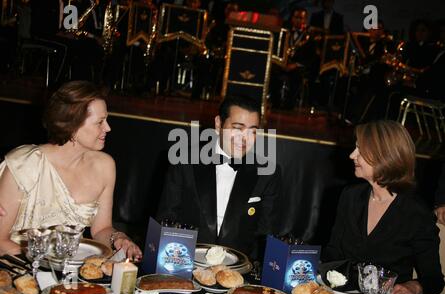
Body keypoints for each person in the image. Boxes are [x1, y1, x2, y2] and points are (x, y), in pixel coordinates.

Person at [0, 81, 142, 261]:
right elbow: (1, 241)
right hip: (18, 267)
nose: (108, 128)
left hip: (70, 272)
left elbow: (101, 229)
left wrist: (118, 238)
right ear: (73, 126)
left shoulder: (104, 166)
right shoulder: (24, 163)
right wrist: (48, 264)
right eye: (100, 122)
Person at [323, 120, 444, 294]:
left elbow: (434, 280)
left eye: (360, 150)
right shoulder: (350, 196)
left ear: (385, 156)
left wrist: (413, 286)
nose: (352, 155)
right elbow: (332, 255)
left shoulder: (416, 213)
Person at [156, 95, 281, 261]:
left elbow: (266, 236)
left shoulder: (268, 173)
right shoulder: (184, 160)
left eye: (252, 130)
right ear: (218, 124)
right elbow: (166, 221)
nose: (245, 139)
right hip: (184, 262)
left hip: (240, 272)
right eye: (237, 128)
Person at [270, 7, 319, 110]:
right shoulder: (284, 31)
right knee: (272, 72)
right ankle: (275, 101)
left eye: (301, 18)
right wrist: (281, 62)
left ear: (305, 20)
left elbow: (311, 56)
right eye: (296, 17)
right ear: (292, 18)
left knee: (297, 76)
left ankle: (289, 104)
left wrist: (296, 64)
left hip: (298, 66)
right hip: (282, 63)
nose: (298, 20)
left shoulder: (309, 35)